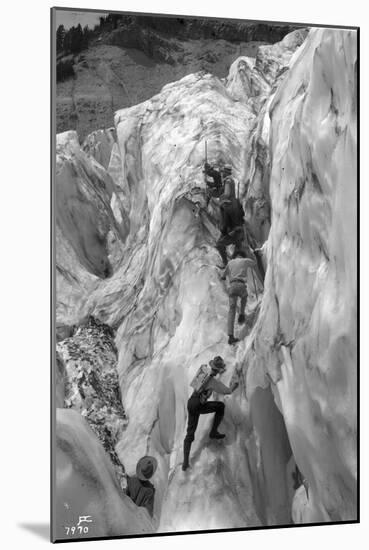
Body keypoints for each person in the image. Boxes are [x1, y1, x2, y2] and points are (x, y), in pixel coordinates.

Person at [182, 356, 239, 471]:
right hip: (199, 404)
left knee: (190, 433)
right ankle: (213, 432)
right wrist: (235, 384)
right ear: (218, 370)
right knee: (220, 407)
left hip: (191, 402)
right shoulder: (213, 382)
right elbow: (227, 391)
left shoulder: (203, 372)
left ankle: (185, 462)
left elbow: (199, 383)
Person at [223, 249, 257, 345]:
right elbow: (254, 263)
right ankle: (242, 313)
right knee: (244, 297)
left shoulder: (230, 263)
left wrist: (223, 277)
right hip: (241, 285)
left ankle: (230, 336)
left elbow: (223, 274)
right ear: (242, 255)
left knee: (231, 310)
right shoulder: (245, 260)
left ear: (235, 255)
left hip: (232, 286)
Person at [216, 177, 245, 266]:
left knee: (219, 244)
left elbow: (224, 225)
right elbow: (243, 215)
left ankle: (226, 264)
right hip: (240, 231)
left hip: (233, 233)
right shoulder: (237, 201)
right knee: (238, 245)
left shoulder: (225, 204)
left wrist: (223, 232)